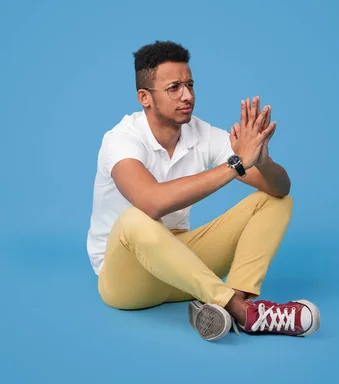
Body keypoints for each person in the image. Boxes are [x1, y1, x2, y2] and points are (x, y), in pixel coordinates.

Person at [86, 40, 320, 341]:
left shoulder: (202, 133)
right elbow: (152, 202)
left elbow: (280, 188)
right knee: (136, 219)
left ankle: (234, 302)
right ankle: (237, 307)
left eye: (190, 84)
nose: (187, 95)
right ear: (145, 97)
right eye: (174, 88)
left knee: (276, 201)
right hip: (126, 280)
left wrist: (263, 161)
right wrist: (235, 165)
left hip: (182, 269)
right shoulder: (120, 140)